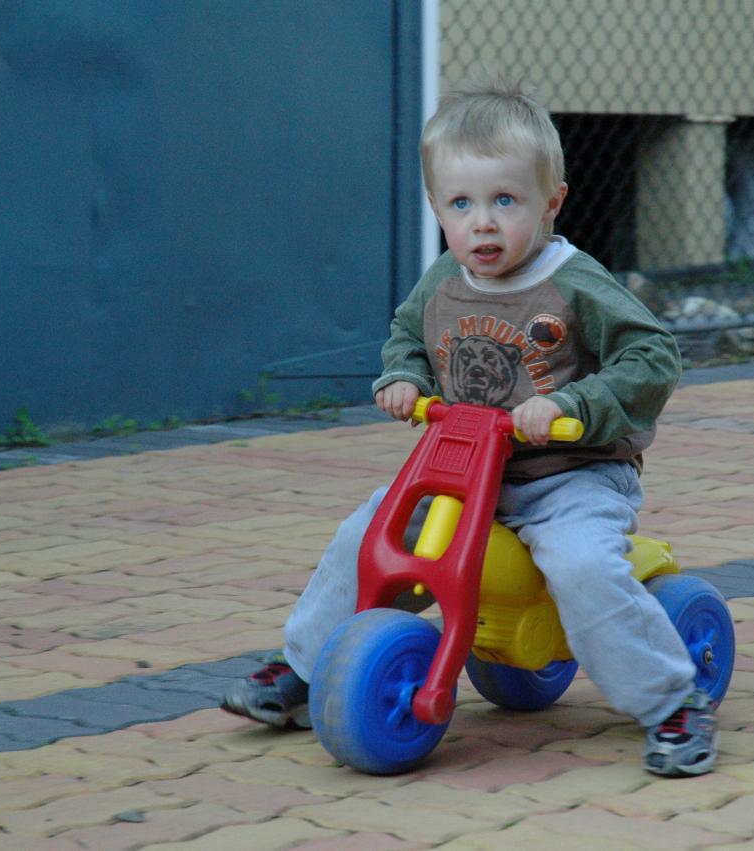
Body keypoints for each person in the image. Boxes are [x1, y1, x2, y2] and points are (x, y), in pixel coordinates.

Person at [222, 77, 717, 777]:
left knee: (581, 566)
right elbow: (407, 334)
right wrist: (404, 378)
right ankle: (304, 667)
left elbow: (653, 355)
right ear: (437, 208)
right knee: (368, 533)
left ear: (552, 201)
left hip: (567, 478)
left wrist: (572, 406)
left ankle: (674, 700)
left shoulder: (574, 282)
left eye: (505, 201)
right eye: (462, 203)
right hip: (463, 473)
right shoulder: (445, 281)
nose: (483, 223)